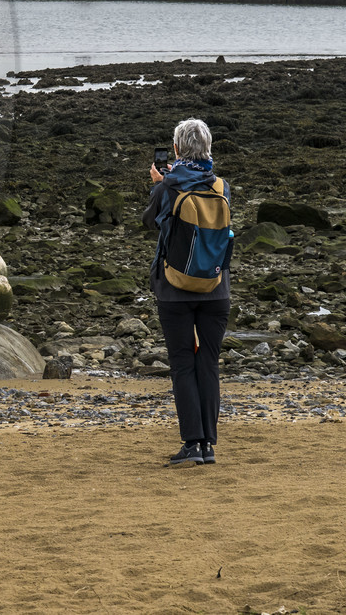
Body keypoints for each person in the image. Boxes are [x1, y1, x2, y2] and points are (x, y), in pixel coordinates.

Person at [142, 117, 231, 467]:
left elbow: (150, 222)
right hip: (216, 286)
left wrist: (159, 185)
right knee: (208, 362)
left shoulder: (168, 187)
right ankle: (208, 445)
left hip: (175, 287)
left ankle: (192, 443)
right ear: (208, 148)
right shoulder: (221, 187)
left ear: (177, 149)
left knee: (182, 363)